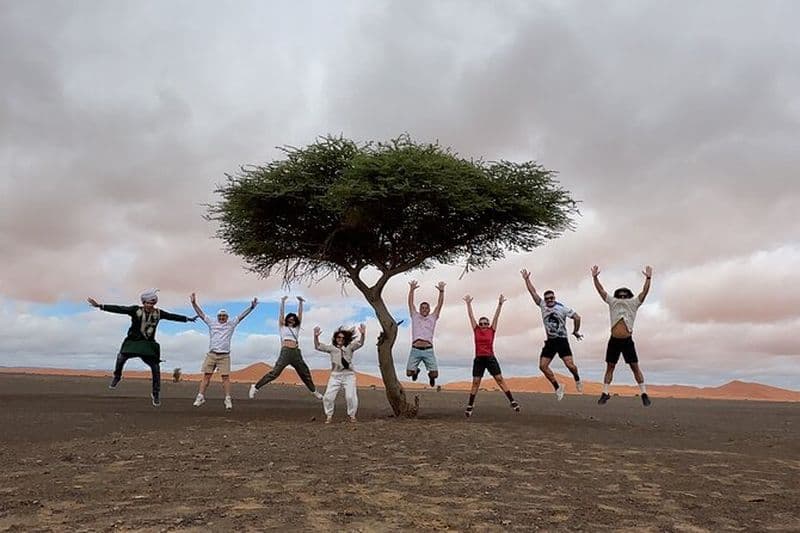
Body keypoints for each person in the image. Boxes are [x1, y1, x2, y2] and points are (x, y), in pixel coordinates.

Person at [87, 289, 196, 407]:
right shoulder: (135, 310)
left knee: (155, 368)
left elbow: (172, 316)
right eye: (147, 303)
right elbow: (120, 309)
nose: (149, 305)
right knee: (121, 357)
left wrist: (187, 319)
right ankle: (117, 376)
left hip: (148, 345)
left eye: (152, 303)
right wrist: (100, 306)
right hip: (133, 342)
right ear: (143, 302)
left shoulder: (158, 313)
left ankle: (155, 393)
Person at [591, 265, 653, 406]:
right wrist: (595, 278)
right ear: (617, 296)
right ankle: (605, 393)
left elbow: (644, 292)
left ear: (629, 296)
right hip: (614, 341)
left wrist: (648, 278)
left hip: (627, 341)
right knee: (610, 367)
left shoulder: (634, 303)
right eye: (620, 295)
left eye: (625, 296)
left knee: (635, 367)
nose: (622, 298)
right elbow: (601, 290)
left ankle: (644, 393)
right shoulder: (613, 302)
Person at [521, 269, 584, 400]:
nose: (549, 300)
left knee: (570, 365)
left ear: (554, 298)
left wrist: (576, 331)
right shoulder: (542, 305)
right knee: (543, 366)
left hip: (562, 340)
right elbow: (533, 292)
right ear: (545, 299)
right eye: (547, 298)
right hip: (550, 341)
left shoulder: (562, 308)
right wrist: (527, 280)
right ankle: (557, 387)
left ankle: (577, 378)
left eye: (551, 298)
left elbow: (577, 317)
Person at [190, 292, 258, 410]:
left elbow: (242, 316)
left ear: (227, 317)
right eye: (220, 316)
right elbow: (201, 314)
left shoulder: (231, 324)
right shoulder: (212, 322)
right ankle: (200, 397)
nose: (222, 318)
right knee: (206, 376)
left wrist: (251, 307)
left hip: (224, 356)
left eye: (224, 316)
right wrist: (194, 303)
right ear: (217, 317)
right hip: (212, 354)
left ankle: (227, 399)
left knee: (225, 378)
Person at [249, 296, 324, 400]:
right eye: (290, 319)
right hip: (286, 352)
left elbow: (300, 315)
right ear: (287, 319)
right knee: (275, 373)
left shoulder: (296, 328)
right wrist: (283, 302)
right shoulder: (282, 327)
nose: (291, 320)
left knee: (305, 372)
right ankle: (256, 387)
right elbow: (281, 314)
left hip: (296, 352)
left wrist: (300, 303)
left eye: (293, 319)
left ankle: (314, 391)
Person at [463, 294, 520, 417]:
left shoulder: (491, 330)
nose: (483, 325)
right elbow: (471, 316)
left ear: (488, 324)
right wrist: (468, 304)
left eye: (485, 323)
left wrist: (500, 304)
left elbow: (496, 317)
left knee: (499, 379)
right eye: (481, 323)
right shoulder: (476, 330)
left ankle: (512, 401)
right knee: (476, 382)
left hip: (490, 358)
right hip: (479, 359)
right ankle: (470, 405)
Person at [313, 324, 366, 424]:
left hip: (349, 375)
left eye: (343, 338)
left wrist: (363, 334)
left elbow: (360, 343)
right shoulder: (331, 348)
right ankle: (329, 415)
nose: (340, 339)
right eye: (338, 337)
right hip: (335, 376)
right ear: (335, 338)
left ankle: (352, 415)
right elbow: (318, 346)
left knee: (350, 396)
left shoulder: (350, 347)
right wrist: (316, 337)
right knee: (328, 397)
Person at [406, 280, 445, 387]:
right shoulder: (415, 316)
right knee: (409, 373)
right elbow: (410, 303)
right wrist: (411, 290)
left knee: (435, 375)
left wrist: (441, 292)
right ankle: (416, 371)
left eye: (426, 308)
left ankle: (430, 376)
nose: (424, 309)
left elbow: (439, 305)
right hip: (415, 349)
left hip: (428, 350)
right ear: (419, 309)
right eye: (422, 308)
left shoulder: (433, 317)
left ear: (429, 309)